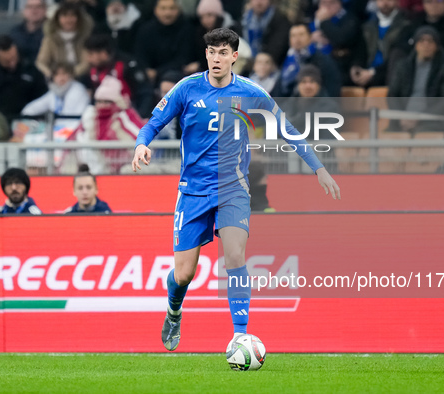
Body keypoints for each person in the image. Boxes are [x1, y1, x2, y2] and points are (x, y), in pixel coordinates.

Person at [132, 28, 340, 352]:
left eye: (222, 53)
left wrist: (319, 167)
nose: (216, 58)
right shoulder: (187, 89)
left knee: (234, 257)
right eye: (211, 52)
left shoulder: (251, 92)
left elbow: (287, 129)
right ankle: (174, 310)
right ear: (207, 55)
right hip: (193, 191)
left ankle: (240, 335)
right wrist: (141, 145)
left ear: (234, 57)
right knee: (184, 274)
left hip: (233, 188)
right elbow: (152, 123)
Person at [387, 26, 444, 132]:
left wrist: (420, 118)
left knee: (425, 132)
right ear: (415, 45)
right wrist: (401, 116)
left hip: (431, 120)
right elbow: (393, 95)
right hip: (402, 119)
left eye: (430, 41)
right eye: (421, 40)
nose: (426, 44)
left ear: (437, 46)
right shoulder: (403, 66)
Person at [72, 75, 145, 173]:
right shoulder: (89, 117)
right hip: (92, 169)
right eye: (99, 101)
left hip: (123, 169)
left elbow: (140, 138)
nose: (102, 105)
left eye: (107, 102)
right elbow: (75, 141)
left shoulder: (125, 116)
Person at [0, 35, 48, 123]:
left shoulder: (28, 63)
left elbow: (41, 93)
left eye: (14, 58)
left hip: (28, 117)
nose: (12, 64)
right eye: (7, 62)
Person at [81, 34, 153, 118]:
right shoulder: (94, 70)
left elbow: (145, 93)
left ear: (103, 53)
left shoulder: (128, 65)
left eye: (91, 54)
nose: (88, 59)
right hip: (106, 118)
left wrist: (140, 117)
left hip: (131, 115)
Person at [350, 0, 412, 87]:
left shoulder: (406, 26)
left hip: (389, 76)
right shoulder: (367, 27)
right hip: (366, 75)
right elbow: (360, 51)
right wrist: (356, 66)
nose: (385, 3)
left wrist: (372, 72)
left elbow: (398, 59)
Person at [134, 0, 195, 84]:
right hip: (148, 73)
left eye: (172, 8)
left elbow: (183, 59)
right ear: (155, 10)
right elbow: (140, 55)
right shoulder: (145, 30)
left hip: (175, 74)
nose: (167, 13)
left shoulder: (187, 29)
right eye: (163, 8)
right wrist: (146, 70)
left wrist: (157, 72)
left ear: (179, 10)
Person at [279, 22, 342, 97]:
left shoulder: (321, 59)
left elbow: (332, 85)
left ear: (310, 37)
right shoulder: (287, 60)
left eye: (301, 35)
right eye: (293, 36)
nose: (297, 39)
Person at [311, 0, 365, 85]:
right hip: (317, 67)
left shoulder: (350, 19)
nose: (327, 7)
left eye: (332, 3)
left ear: (340, 3)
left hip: (343, 68)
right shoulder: (314, 22)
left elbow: (340, 39)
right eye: (324, 3)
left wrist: (324, 22)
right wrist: (310, 39)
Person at [36, 2, 94, 78]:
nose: (68, 19)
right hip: (56, 78)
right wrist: (52, 74)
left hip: (81, 77)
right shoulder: (50, 39)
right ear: (57, 19)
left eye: (72, 15)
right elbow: (41, 62)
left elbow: (86, 62)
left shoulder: (84, 38)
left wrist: (70, 74)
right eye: (64, 15)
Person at [22, 62, 90, 116]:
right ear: (53, 77)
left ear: (70, 75)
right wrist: (23, 117)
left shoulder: (78, 90)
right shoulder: (54, 92)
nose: (61, 77)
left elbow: (79, 116)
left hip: (73, 129)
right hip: (58, 130)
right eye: (57, 74)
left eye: (64, 73)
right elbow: (33, 108)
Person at [241, 0, 291, 67]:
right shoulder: (244, 20)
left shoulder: (280, 20)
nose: (259, 2)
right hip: (246, 64)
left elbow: (278, 47)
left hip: (271, 66)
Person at [9, 0, 47, 65]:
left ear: (45, 10)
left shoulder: (53, 33)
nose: (34, 11)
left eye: (38, 7)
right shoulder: (14, 33)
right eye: (30, 7)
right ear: (24, 10)